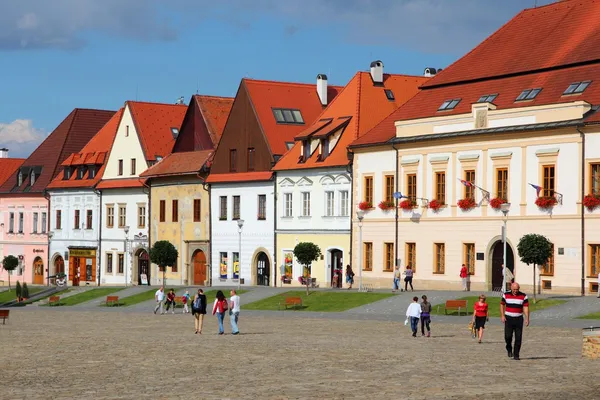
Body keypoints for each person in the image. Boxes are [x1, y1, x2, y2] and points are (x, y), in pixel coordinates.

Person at [500, 282, 530, 360]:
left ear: (519, 289)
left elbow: (526, 307)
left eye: (517, 289)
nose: (515, 291)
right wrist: (502, 315)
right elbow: (502, 304)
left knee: (518, 337)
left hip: (518, 318)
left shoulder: (523, 296)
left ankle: (516, 355)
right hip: (508, 318)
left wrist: (527, 318)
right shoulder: (505, 295)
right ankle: (509, 348)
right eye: (514, 289)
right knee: (508, 336)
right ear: (511, 288)